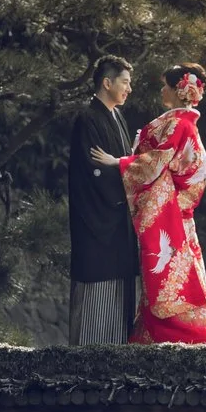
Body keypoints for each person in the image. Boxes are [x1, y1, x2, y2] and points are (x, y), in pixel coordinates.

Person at [116, 63, 206, 343]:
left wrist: (119, 163)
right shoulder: (186, 124)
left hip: (169, 209)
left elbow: (157, 162)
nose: (162, 90)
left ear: (178, 89)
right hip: (178, 212)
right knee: (180, 275)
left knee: (168, 278)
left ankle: (172, 336)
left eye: (165, 85)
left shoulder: (177, 124)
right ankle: (188, 335)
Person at [67, 55, 141, 344]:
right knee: (98, 281)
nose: (129, 89)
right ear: (107, 83)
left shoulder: (115, 115)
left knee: (120, 282)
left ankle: (115, 350)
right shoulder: (88, 118)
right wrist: (125, 173)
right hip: (97, 217)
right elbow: (92, 170)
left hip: (117, 217)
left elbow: (120, 163)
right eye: (125, 82)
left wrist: (122, 165)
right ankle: (90, 354)